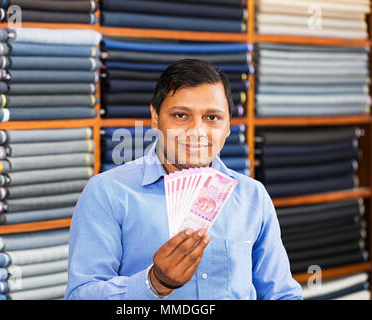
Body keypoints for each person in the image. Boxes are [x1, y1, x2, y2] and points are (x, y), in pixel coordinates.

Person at [65, 59, 302, 300]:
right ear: (155, 117)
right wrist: (154, 283)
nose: (196, 131)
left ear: (229, 125)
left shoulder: (253, 195)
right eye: (181, 115)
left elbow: (282, 294)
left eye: (212, 117)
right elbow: (80, 295)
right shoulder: (107, 192)